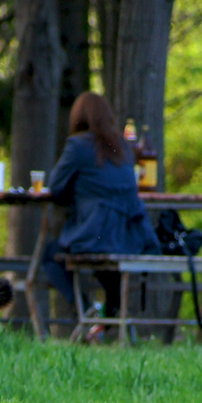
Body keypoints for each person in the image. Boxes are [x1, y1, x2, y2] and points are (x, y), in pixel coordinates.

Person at [42, 91, 161, 328]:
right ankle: (109, 311)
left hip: (97, 235)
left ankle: (86, 310)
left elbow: (55, 187)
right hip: (131, 236)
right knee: (106, 265)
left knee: (50, 255)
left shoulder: (78, 145)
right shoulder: (124, 146)